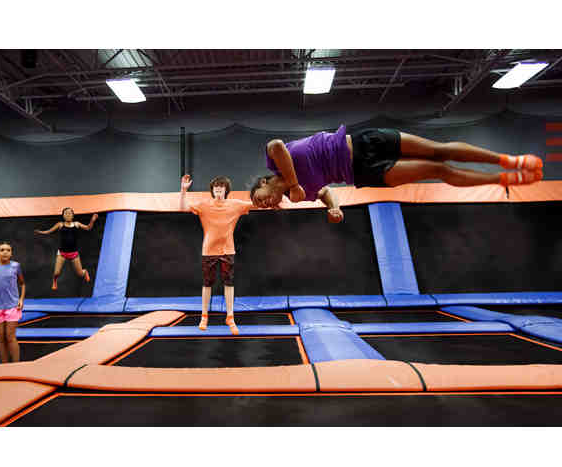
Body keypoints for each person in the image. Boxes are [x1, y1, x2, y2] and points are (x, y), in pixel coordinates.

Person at [250, 126, 544, 222]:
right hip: (364, 171)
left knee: (439, 150)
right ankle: (502, 179)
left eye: (258, 198)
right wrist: (335, 208)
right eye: (263, 207)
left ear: (263, 182)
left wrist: (293, 183)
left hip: (363, 141)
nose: (263, 203)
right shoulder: (298, 196)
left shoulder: (273, 162)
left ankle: (508, 160)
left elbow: (277, 145)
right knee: (437, 169)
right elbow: (326, 192)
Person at [180, 174, 252, 335]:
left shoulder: (235, 205)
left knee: (229, 283)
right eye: (215, 187)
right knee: (207, 284)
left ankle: (230, 317)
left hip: (228, 250)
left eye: (221, 187)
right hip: (209, 250)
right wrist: (183, 190)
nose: (218, 189)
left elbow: (257, 204)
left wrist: (277, 197)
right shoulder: (204, 205)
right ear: (212, 190)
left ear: (226, 190)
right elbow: (183, 207)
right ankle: (204, 316)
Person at [34, 208, 98, 290]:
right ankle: (54, 280)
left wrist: (92, 220)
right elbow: (49, 231)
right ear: (63, 216)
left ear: (73, 215)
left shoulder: (76, 224)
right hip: (62, 253)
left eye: (70, 213)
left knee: (80, 274)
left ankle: (85, 272)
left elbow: (88, 228)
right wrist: (41, 232)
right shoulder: (60, 224)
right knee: (56, 273)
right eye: (66, 213)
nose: (68, 215)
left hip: (74, 253)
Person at [0, 241, 25, 363]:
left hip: (12, 306)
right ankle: (4, 366)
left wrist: (21, 299)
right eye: (2, 250)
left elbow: (22, 284)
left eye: (8, 250)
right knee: (1, 338)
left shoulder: (15, 266)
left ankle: (16, 366)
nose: (5, 252)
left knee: (10, 337)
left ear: (11, 253)